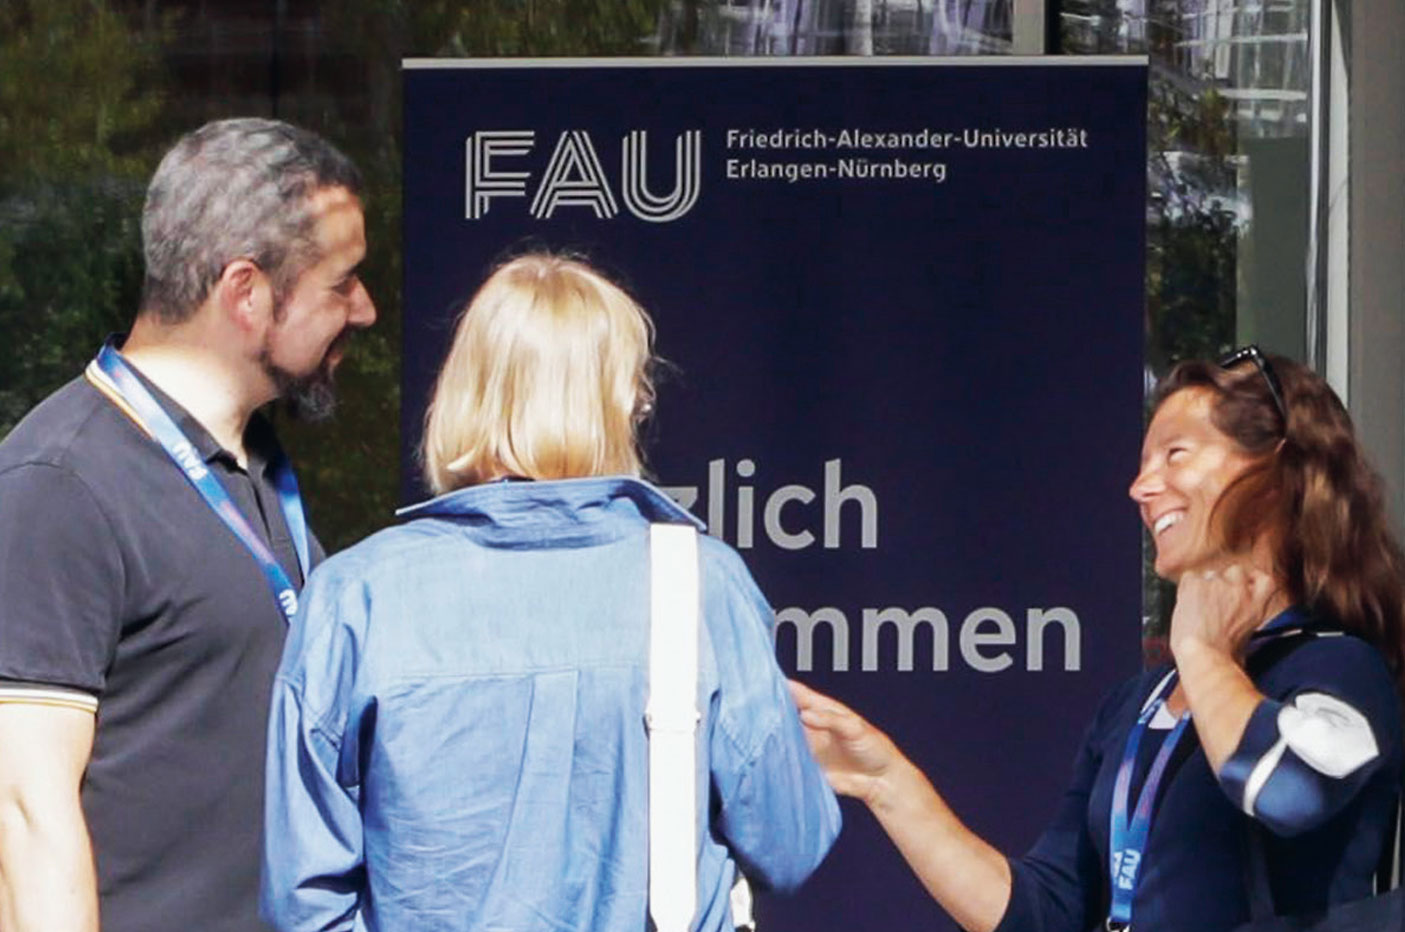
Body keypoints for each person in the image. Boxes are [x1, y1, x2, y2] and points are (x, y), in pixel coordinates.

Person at [261, 253, 840, 932]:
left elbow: (303, 901)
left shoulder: (355, 597)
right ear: (619, 403)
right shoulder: (699, 586)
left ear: (462, 394)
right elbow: (791, 845)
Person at [791, 347, 1405, 932]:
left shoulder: (1340, 666)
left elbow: (1290, 790)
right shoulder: (1133, 706)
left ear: (1272, 471)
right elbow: (1045, 912)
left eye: (1175, 454)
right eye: (1143, 464)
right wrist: (887, 781)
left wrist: (1202, 650)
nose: (1141, 488)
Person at [0, 118, 376, 932]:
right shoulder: (59, 484)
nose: (366, 310)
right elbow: (25, 814)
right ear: (245, 292)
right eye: (340, 283)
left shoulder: (257, 465)